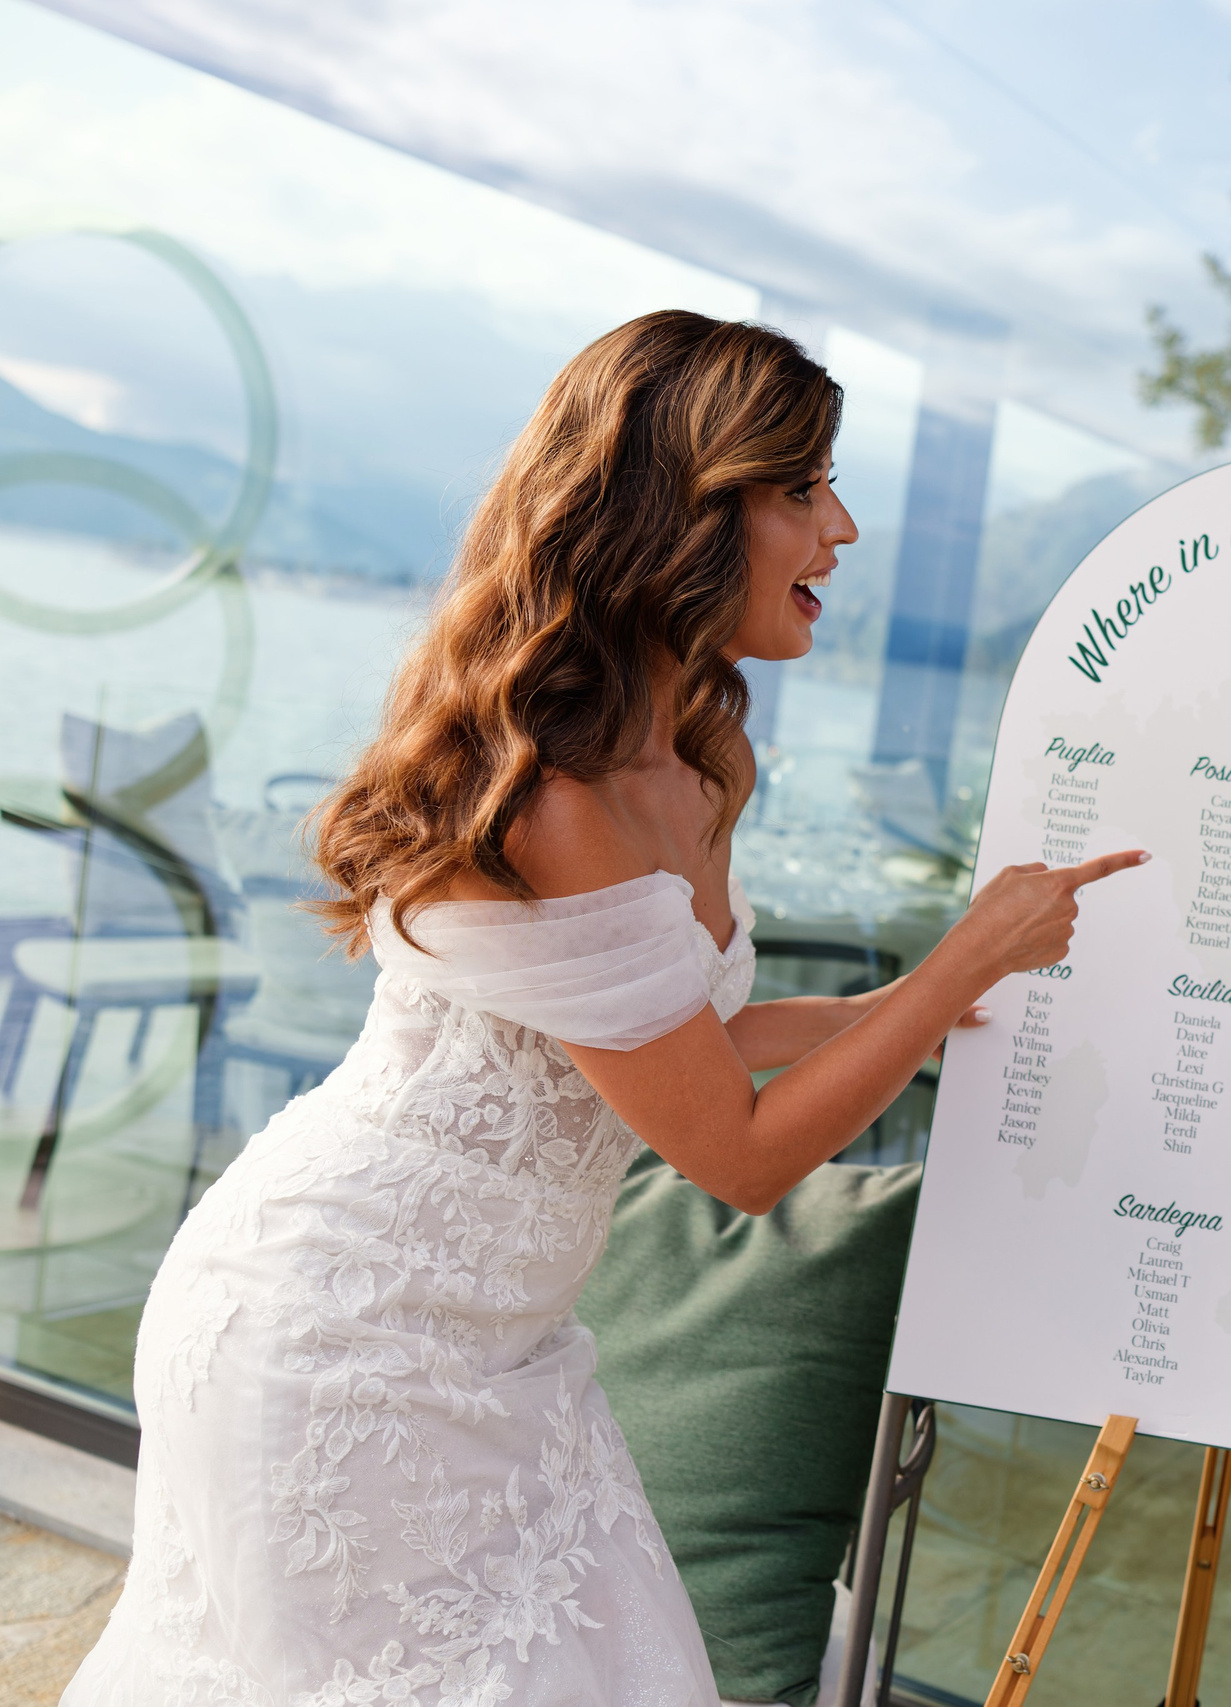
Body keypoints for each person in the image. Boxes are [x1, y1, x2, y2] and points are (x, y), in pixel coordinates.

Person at [64, 311, 1144, 1705]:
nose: (844, 529)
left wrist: (900, 1010)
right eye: (803, 488)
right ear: (682, 512)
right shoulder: (557, 801)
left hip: (504, 1351)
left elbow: (673, 1050)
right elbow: (736, 1154)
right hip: (335, 1339)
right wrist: (962, 961)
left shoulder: (700, 753)